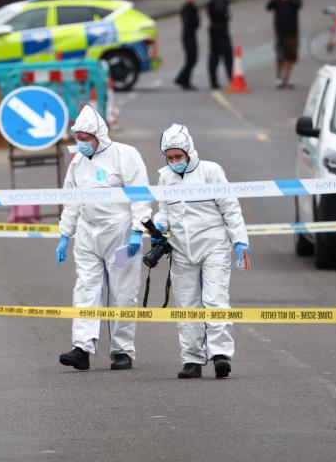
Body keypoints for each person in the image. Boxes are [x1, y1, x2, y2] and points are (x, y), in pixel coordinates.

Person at [56, 105, 150, 371]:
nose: (82, 144)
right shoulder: (77, 163)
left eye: (86, 139)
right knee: (85, 289)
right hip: (88, 235)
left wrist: (137, 230)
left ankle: (122, 350)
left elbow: (140, 194)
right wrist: (65, 234)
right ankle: (82, 348)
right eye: (79, 139)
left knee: (124, 292)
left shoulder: (125, 155)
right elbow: (70, 201)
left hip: (121, 235)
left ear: (99, 135)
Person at [152, 124, 250, 379]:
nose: (175, 162)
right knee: (186, 304)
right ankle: (192, 359)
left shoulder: (211, 171)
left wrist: (239, 240)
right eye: (170, 158)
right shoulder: (165, 177)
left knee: (215, 300)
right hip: (182, 250)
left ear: (189, 152)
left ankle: (220, 354)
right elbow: (164, 209)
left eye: (178, 157)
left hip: (213, 246)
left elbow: (230, 206)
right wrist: (159, 223)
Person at [266, 0, 302, 89]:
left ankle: (287, 79)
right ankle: (278, 78)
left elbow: (299, 5)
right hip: (280, 32)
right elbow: (268, 7)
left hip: (292, 32)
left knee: (290, 58)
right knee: (280, 57)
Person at [207, 0, 233, 90]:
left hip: (215, 28)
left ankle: (214, 81)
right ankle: (231, 78)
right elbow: (220, 11)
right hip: (219, 29)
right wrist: (226, 12)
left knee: (215, 55)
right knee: (226, 54)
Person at [175, 0, 200, 90]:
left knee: (192, 59)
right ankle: (182, 79)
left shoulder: (191, 7)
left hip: (190, 35)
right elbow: (189, 22)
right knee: (191, 59)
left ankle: (183, 79)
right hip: (188, 36)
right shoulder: (188, 7)